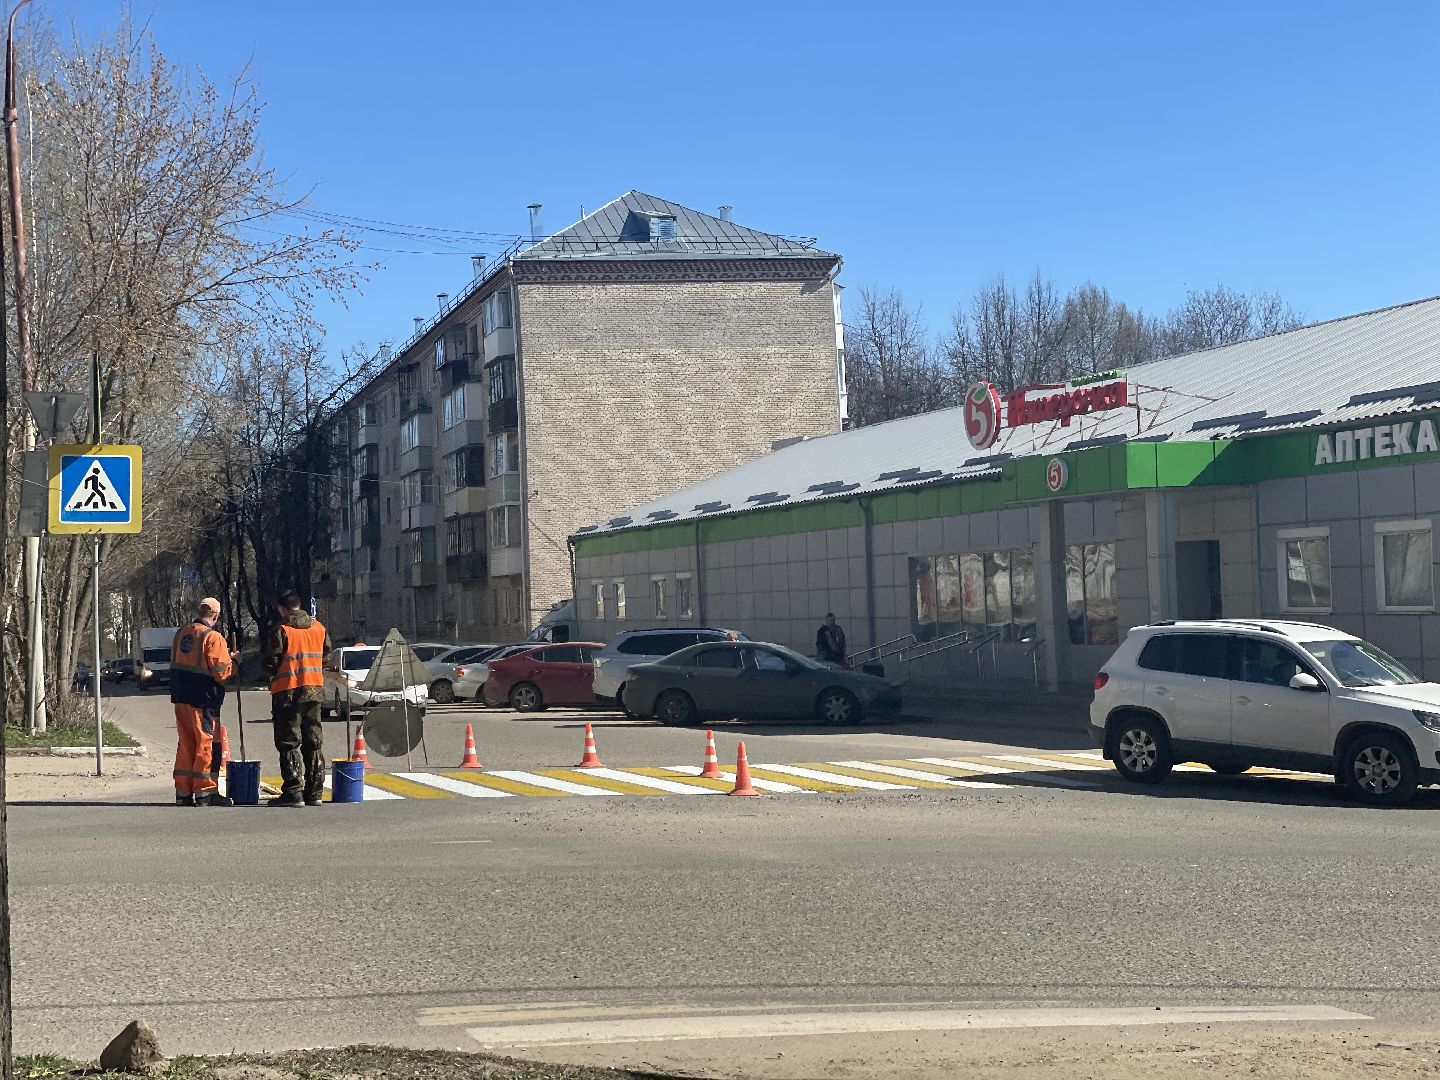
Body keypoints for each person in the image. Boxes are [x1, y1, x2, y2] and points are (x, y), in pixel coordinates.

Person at [263, 590, 332, 807]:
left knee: (289, 741)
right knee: (313, 741)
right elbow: (326, 656)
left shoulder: (281, 630)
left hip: (288, 693)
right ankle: (315, 792)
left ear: (282, 609)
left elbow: (270, 661)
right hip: (314, 692)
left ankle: (294, 791)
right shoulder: (318, 628)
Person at [170, 597, 236, 806]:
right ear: (215, 615)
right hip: (203, 700)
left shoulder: (181, 634)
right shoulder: (213, 637)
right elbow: (222, 672)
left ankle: (183, 793)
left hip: (181, 698)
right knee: (205, 745)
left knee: (186, 744)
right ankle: (205, 792)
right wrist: (235, 661)